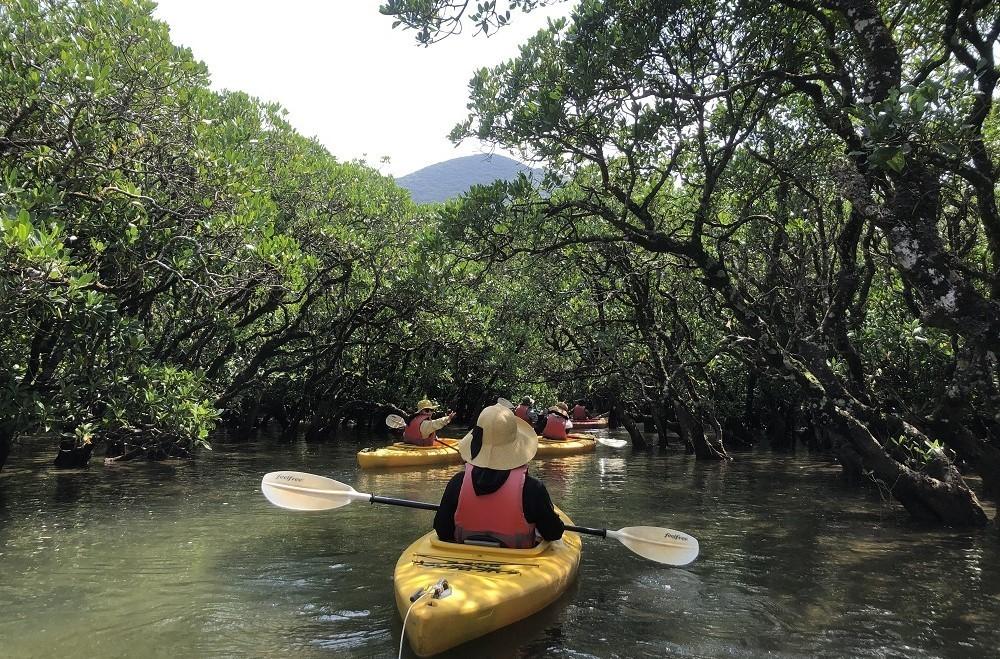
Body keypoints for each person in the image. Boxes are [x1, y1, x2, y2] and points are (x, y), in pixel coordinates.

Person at [434, 403, 565, 548]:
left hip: (466, 559)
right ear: (516, 446)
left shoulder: (457, 482)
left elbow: (442, 530)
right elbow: (553, 533)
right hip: (518, 563)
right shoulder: (533, 489)